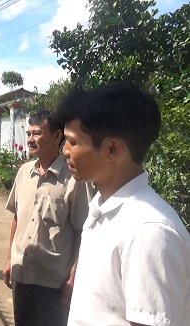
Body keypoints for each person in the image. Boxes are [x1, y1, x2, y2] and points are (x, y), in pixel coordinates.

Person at [56, 81, 190, 325]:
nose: (65, 150)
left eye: (73, 142)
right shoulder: (103, 205)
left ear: (112, 149)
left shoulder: (149, 231)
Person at [3, 110, 94, 326]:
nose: (30, 139)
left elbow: (82, 231)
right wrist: (9, 260)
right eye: (29, 133)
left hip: (53, 282)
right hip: (22, 273)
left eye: (37, 133)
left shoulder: (74, 179)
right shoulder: (24, 172)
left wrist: (73, 278)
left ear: (56, 136)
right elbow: (17, 217)